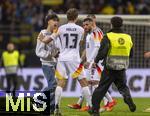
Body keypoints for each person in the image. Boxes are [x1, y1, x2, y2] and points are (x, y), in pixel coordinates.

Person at [40, 8, 92, 116]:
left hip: (62, 58)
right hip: (74, 59)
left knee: (60, 83)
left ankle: (57, 108)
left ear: (67, 17)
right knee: (83, 82)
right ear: (77, 17)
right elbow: (80, 42)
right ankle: (91, 107)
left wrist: (41, 38)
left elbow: (47, 40)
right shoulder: (81, 29)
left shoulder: (61, 29)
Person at [88, 16, 136, 116]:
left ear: (111, 24)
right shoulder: (128, 37)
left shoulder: (108, 36)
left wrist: (96, 61)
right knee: (123, 87)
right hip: (122, 67)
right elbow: (131, 54)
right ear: (122, 24)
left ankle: (95, 110)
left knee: (101, 89)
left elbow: (103, 51)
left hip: (109, 67)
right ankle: (129, 100)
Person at [68, 16, 116, 112]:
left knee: (94, 84)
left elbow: (98, 47)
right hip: (91, 62)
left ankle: (110, 101)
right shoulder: (90, 33)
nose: (85, 27)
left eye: (87, 25)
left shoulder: (96, 32)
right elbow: (89, 48)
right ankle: (83, 104)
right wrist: (84, 59)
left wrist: (90, 61)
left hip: (95, 63)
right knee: (88, 83)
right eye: (83, 25)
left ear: (92, 23)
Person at [34, 10, 59, 115]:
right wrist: (50, 54)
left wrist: (57, 53)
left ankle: (51, 108)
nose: (56, 22)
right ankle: (38, 98)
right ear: (48, 21)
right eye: (54, 20)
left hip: (55, 64)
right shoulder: (42, 33)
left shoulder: (55, 34)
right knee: (53, 84)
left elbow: (57, 49)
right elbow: (38, 51)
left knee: (55, 87)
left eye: (57, 20)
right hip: (47, 64)